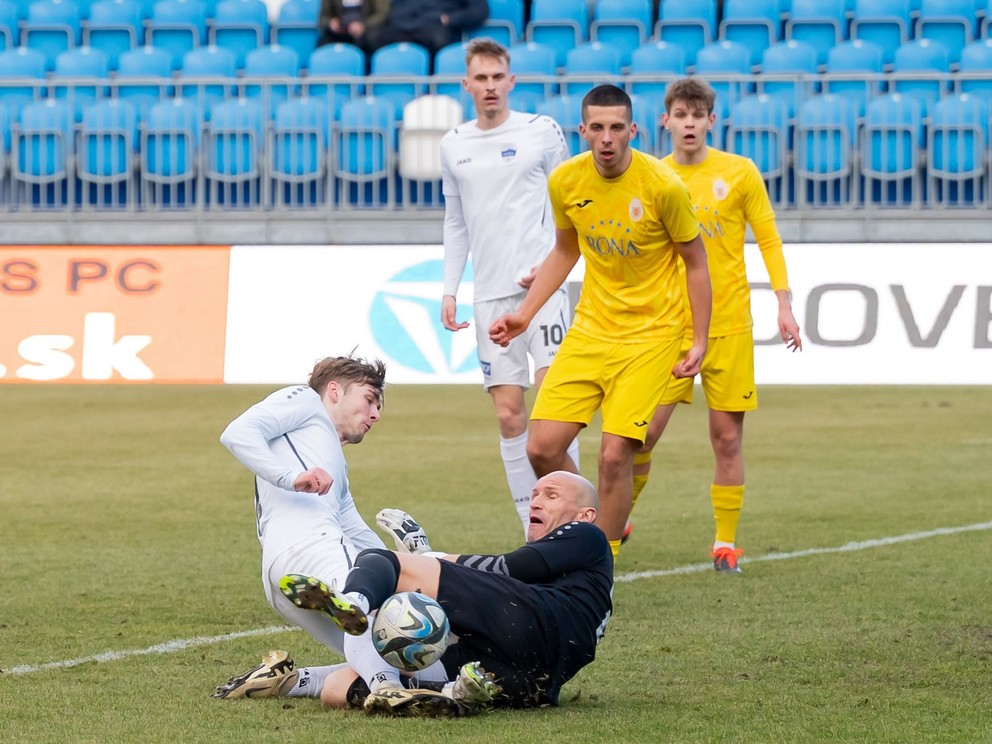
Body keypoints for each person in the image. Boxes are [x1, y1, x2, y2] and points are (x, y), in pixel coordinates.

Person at [489, 84, 712, 558]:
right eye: (597, 128)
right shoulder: (566, 181)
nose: (607, 138)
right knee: (541, 447)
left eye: (616, 128)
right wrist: (524, 315)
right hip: (591, 329)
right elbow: (565, 250)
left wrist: (699, 339)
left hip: (651, 335)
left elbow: (696, 261)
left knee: (615, 454)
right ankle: (587, 522)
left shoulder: (663, 187)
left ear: (633, 130)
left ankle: (598, 570)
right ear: (583, 131)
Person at [626, 78, 802, 574]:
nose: (688, 123)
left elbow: (768, 239)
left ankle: (725, 543)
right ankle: (620, 520)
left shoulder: (739, 172)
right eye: (679, 115)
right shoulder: (652, 176)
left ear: (710, 121)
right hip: (668, 328)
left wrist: (783, 304)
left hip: (728, 327)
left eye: (696, 115)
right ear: (666, 121)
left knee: (726, 439)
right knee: (640, 436)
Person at [279, 470, 613, 713]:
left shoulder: (589, 536)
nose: (536, 502)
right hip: (530, 684)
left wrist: (423, 557)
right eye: (535, 494)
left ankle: (354, 602)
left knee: (382, 562)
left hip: (538, 625)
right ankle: (441, 692)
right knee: (337, 690)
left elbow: (510, 569)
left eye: (551, 495)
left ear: (586, 515)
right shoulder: (575, 577)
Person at [215, 355, 430, 702]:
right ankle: (387, 689)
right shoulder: (304, 400)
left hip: (282, 571)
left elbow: (359, 536)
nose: (376, 413)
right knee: (378, 620)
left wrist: (405, 566)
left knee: (382, 650)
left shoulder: (334, 466)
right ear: (334, 390)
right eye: (369, 398)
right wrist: (291, 478)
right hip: (315, 546)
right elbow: (237, 433)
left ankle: (287, 681)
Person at [440, 37, 579, 537]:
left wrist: (548, 261)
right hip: (489, 295)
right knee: (507, 414)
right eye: (481, 78)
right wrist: (450, 287)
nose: (490, 86)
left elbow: (570, 203)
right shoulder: (453, 144)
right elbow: (455, 221)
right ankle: (533, 526)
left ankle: (577, 520)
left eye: (498, 77)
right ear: (467, 84)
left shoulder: (541, 132)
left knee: (553, 402)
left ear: (511, 80)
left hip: (543, 286)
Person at [363, 0, 489, 61]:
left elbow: (479, 11)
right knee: (371, 37)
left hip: (434, 27)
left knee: (440, 39)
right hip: (400, 27)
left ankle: (432, 89)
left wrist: (451, 18)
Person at [315, 0, 390, 54]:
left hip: (367, 30)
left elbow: (382, 14)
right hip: (341, 30)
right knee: (324, 42)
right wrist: (331, 23)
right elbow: (323, 18)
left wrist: (363, 25)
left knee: (373, 39)